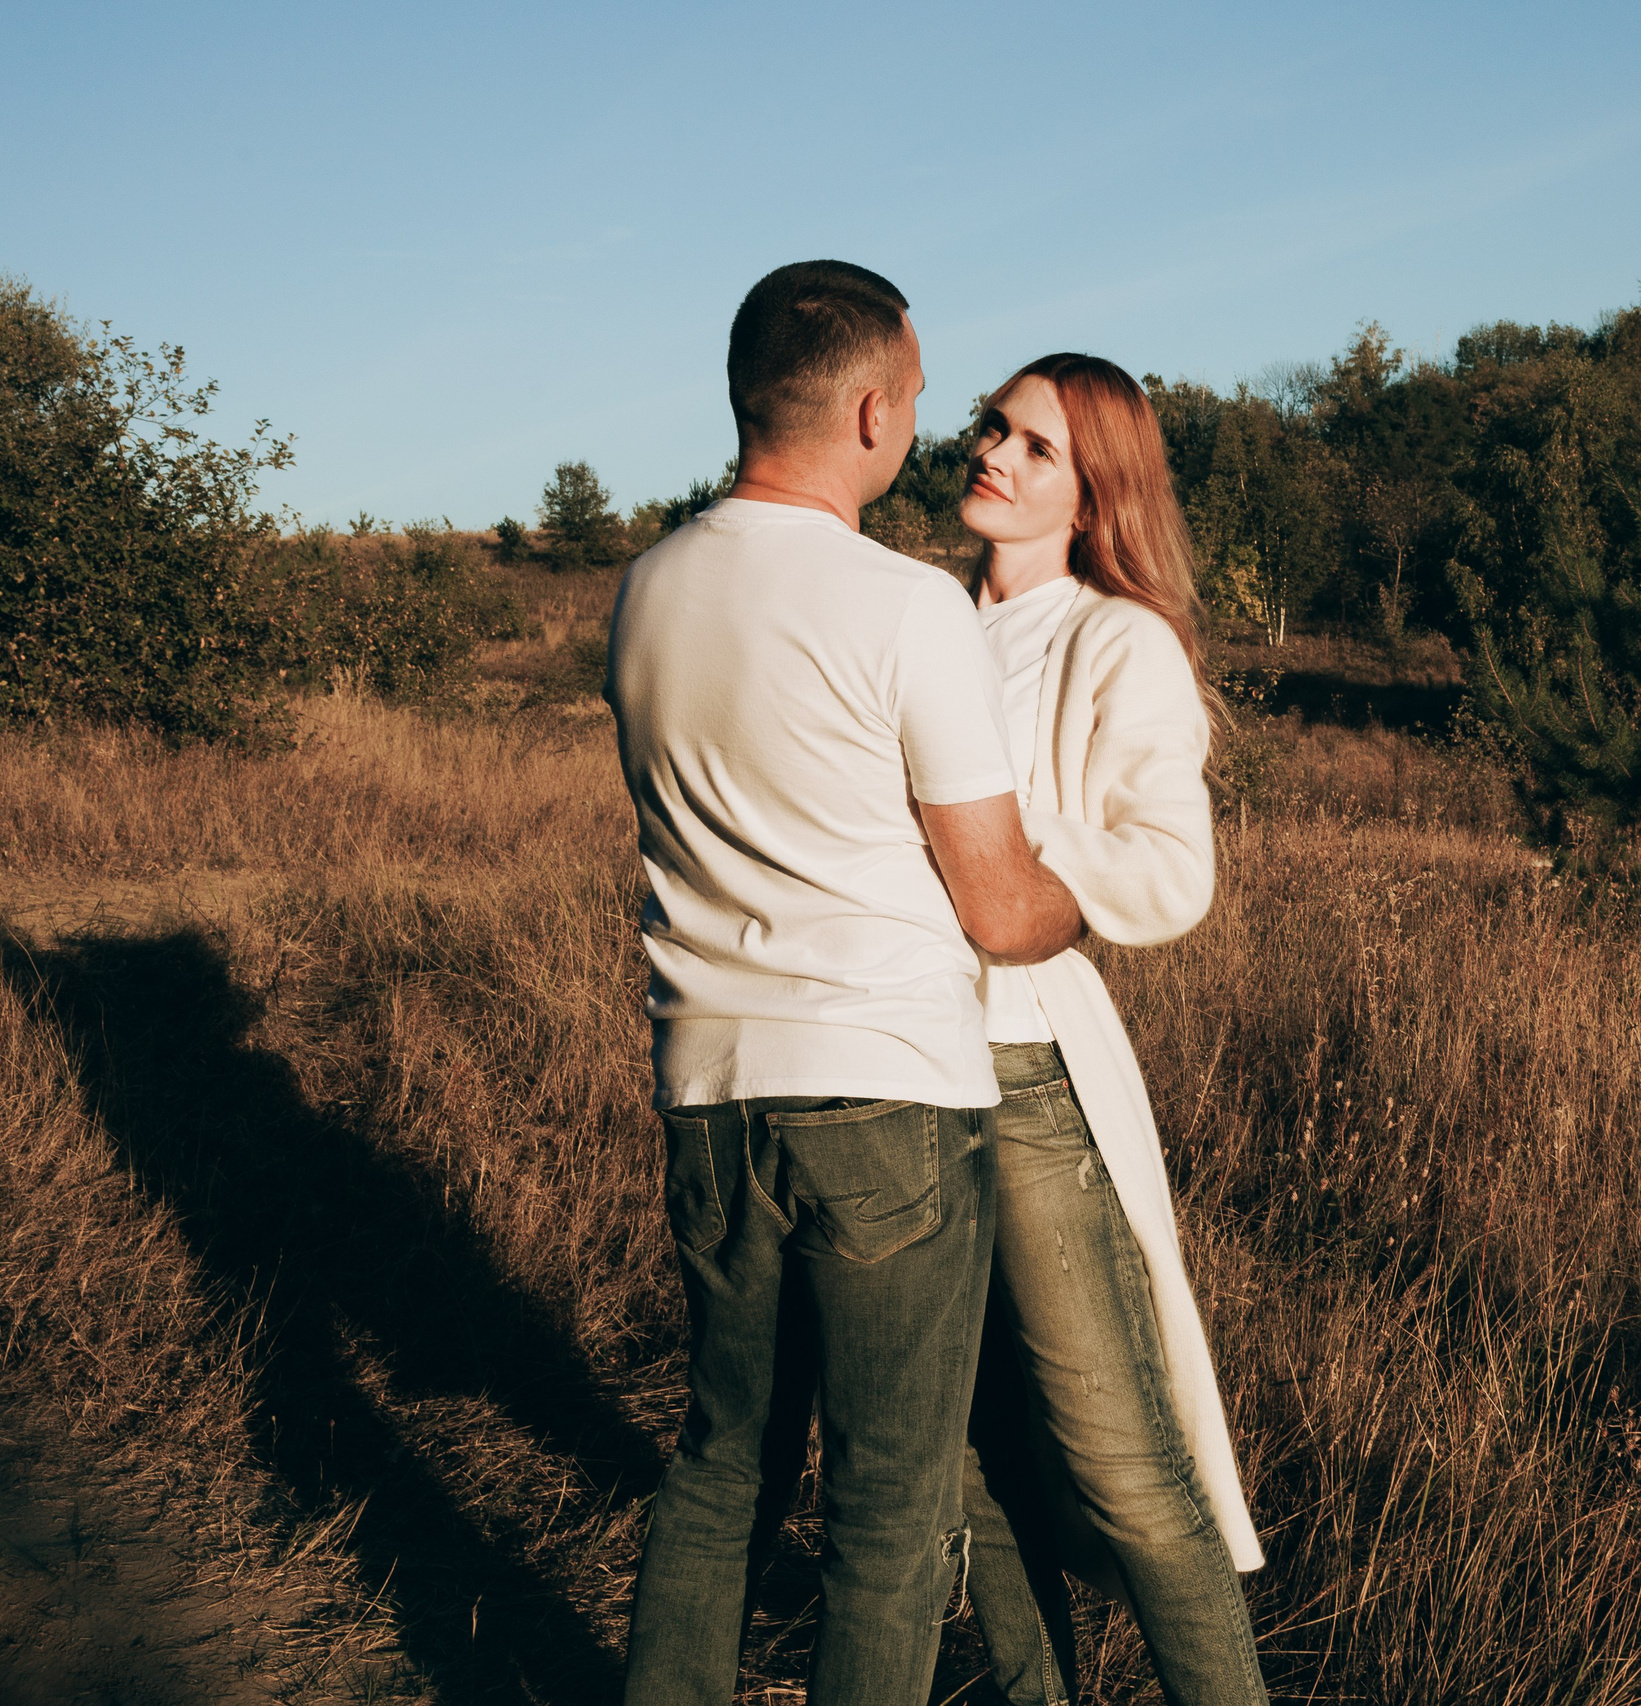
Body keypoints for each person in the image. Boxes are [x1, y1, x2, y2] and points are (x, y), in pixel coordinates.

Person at [605, 261, 1081, 1706]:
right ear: (870, 405)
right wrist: (1086, 904)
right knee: (887, 1513)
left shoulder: (648, 589)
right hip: (882, 1098)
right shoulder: (904, 606)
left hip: (709, 1097)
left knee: (718, 1472)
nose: (925, 424)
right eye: (923, 396)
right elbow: (1001, 905)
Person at [952, 354, 1269, 1706]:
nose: (995, 456)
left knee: (1124, 1457)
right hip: (883, 1071)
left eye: (1037, 448)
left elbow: (1170, 867)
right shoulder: (918, 615)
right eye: (991, 426)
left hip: (1022, 1061)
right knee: (965, 1453)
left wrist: (996, 851)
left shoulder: (1111, 637)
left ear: (1092, 498)